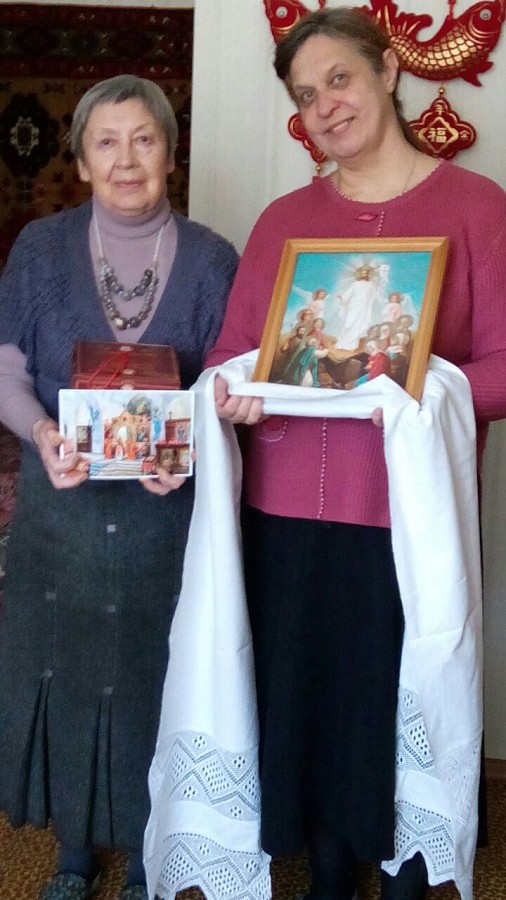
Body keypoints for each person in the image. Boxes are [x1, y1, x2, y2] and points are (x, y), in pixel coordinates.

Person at [206, 8, 506, 900]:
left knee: (400, 707)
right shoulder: (284, 220)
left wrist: (416, 387)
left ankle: (409, 882)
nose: (325, 106)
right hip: (284, 514)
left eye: (339, 78)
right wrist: (234, 394)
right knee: (309, 713)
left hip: (406, 519)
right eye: (306, 96)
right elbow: (231, 356)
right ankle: (328, 882)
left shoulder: (476, 207)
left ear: (388, 72)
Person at [0, 75, 238, 900]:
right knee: (62, 673)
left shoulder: (212, 258)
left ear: (170, 154)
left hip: (162, 521)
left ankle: (147, 858)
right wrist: (40, 431)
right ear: (80, 159)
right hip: (59, 512)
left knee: (153, 679)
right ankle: (72, 852)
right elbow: (6, 366)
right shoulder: (39, 249)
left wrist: (189, 452)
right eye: (106, 141)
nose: (126, 159)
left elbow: (224, 385)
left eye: (145, 139)